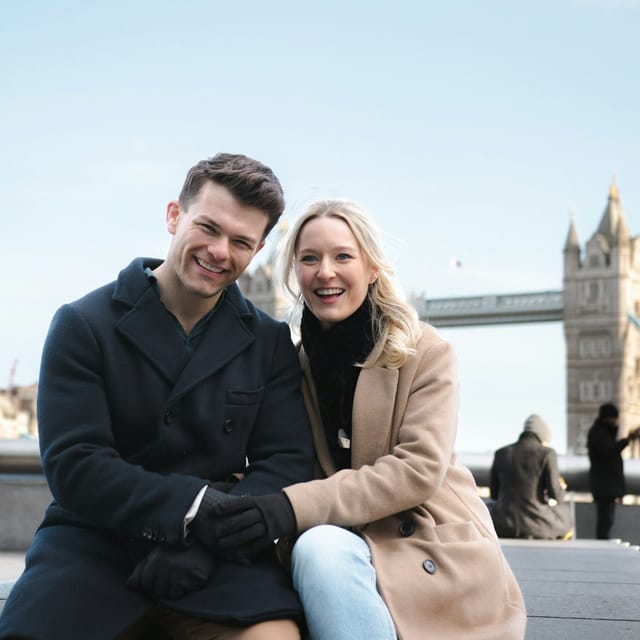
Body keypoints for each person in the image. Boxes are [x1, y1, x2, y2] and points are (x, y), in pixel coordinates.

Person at [0, 153, 315, 640]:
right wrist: (193, 513)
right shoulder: (83, 324)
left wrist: (206, 542)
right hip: (93, 544)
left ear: (258, 250)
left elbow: (286, 462)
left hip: (219, 555)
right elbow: (76, 464)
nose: (218, 251)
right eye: (208, 227)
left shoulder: (270, 341)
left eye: (241, 242)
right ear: (174, 215)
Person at [212, 200, 527, 639]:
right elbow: (277, 457)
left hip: (428, 546)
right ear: (295, 274)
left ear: (373, 268)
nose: (325, 272)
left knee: (318, 544)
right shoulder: (292, 365)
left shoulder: (426, 351)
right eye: (309, 258)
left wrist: (290, 507)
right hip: (345, 545)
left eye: (343, 256)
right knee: (317, 547)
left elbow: (418, 470)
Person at [488, 414, 574, 540]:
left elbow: (494, 494)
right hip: (537, 525)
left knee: (487, 508)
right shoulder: (547, 453)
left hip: (502, 524)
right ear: (543, 437)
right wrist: (561, 487)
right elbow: (556, 495)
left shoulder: (501, 453)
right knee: (565, 513)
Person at [587, 402, 640, 539]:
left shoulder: (603, 433)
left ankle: (603, 544)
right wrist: (626, 440)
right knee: (605, 521)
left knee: (606, 521)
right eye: (613, 418)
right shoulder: (598, 433)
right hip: (604, 486)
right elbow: (609, 452)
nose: (615, 421)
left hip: (606, 486)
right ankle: (602, 546)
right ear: (607, 418)